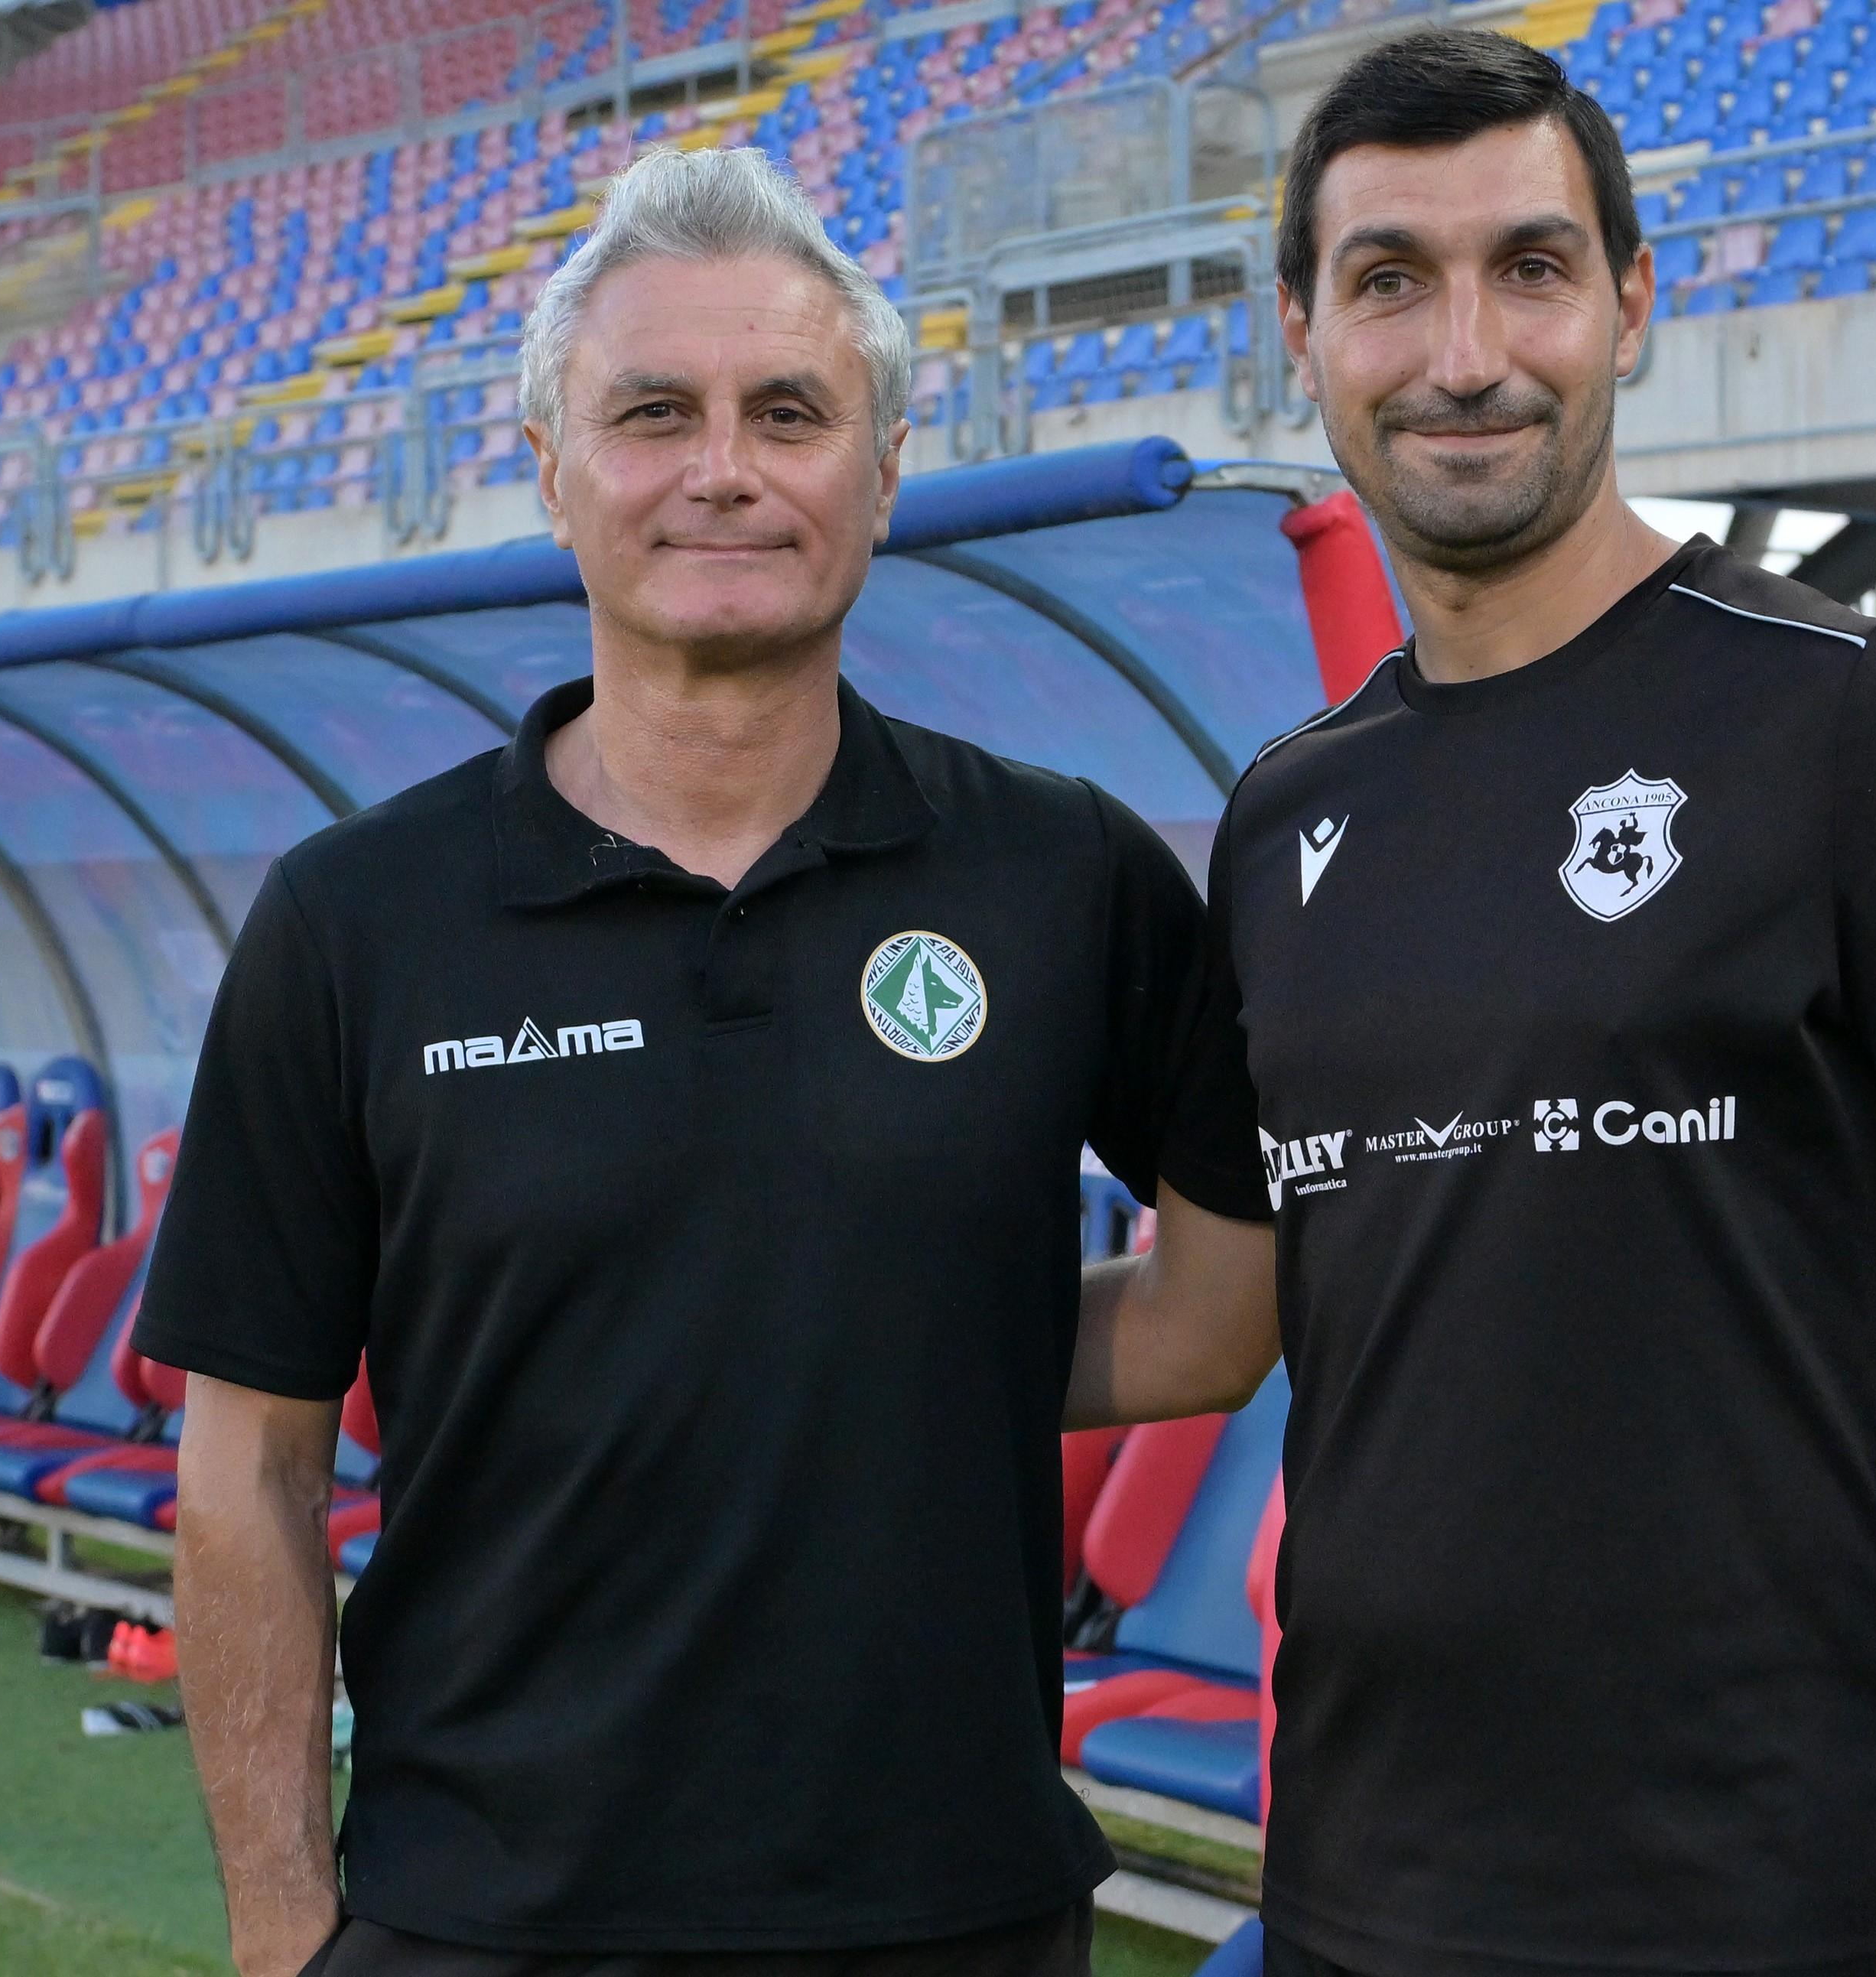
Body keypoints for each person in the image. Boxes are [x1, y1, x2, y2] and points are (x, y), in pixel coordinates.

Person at [1069, 28, 1876, 1977]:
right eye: (1389, 281)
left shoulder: (1847, 716)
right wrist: (778, 1312)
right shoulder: (1285, 814)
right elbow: (1194, 1326)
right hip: (1349, 1897)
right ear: (1300, 335)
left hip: (1745, 1909)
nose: (1464, 352)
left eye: (1532, 267)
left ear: (1632, 304)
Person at [137, 146, 1273, 1977]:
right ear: (555, 472)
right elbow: (247, 1468)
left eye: (791, 412)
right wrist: (286, 1936)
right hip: (479, 1923)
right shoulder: (355, 920)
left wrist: (887, 1346)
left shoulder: (1064, 876)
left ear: (883, 470)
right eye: (653, 412)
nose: (723, 469)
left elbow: (1223, 1319)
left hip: (953, 1916)